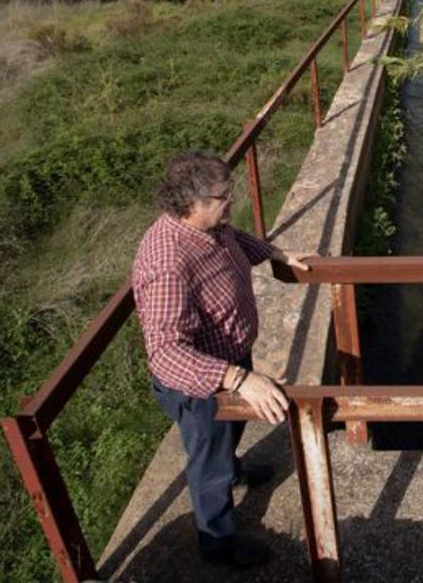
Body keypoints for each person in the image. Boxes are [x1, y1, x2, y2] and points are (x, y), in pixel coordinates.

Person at [132, 151, 312, 568]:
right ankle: (218, 543)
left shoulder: (211, 228)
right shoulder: (167, 261)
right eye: (222, 196)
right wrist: (237, 378)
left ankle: (234, 470)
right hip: (201, 382)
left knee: (228, 437)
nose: (232, 200)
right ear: (190, 203)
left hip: (230, 357)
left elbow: (236, 240)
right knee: (208, 459)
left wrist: (275, 253)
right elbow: (165, 354)